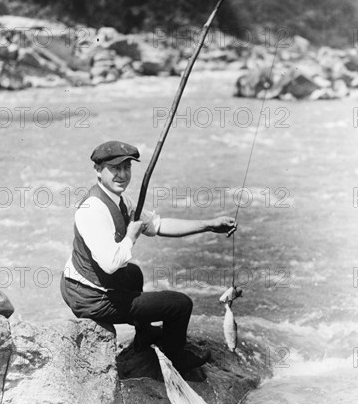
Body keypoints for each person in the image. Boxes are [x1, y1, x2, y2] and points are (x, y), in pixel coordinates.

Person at [60, 141, 237, 373]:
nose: (122, 175)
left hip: (89, 286)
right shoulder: (93, 209)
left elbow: (158, 225)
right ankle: (176, 356)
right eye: (115, 168)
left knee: (133, 272)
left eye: (127, 167)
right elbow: (111, 264)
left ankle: (144, 337)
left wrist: (208, 225)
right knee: (180, 304)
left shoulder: (121, 201)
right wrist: (131, 237)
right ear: (98, 170)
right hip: (88, 297)